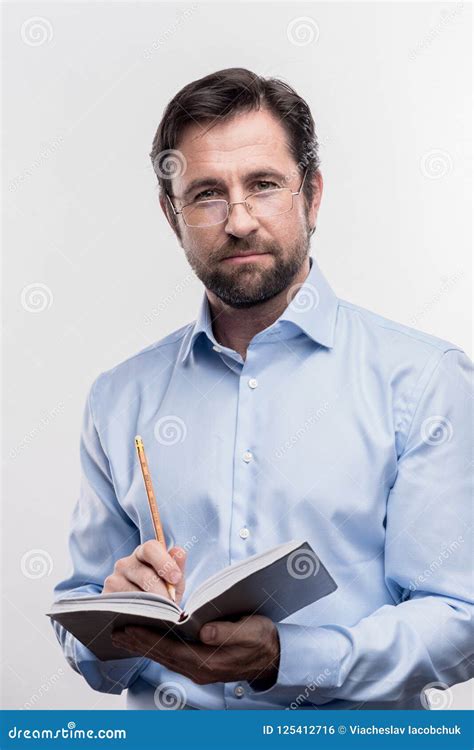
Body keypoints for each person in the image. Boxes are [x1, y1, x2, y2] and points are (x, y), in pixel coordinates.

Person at [52, 68, 473, 710]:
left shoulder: (424, 378)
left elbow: (459, 616)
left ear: (313, 195)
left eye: (264, 185)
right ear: (173, 216)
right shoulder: (119, 397)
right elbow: (82, 630)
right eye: (207, 194)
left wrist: (288, 656)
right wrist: (119, 618)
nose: (240, 220)